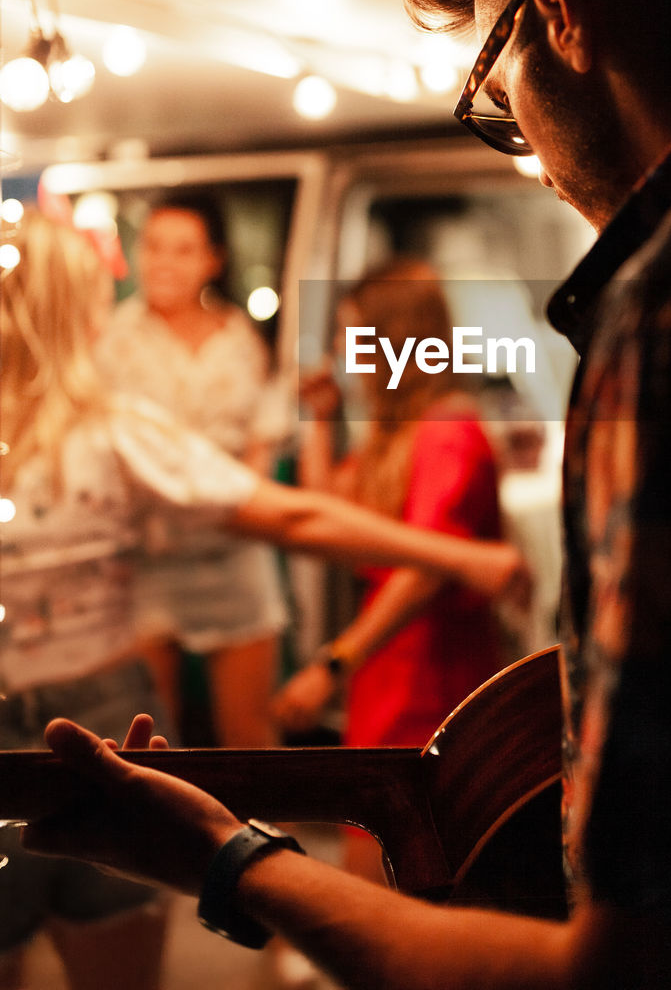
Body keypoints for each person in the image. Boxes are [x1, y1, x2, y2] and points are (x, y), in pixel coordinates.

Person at [20, 0, 671, 989]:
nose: (519, 143)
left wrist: (222, 853)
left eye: (492, 91)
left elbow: (652, 966)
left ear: (557, 6)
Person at [0, 210, 526, 990]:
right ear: (68, 311)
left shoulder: (142, 408)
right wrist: (463, 557)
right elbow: (297, 512)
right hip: (99, 711)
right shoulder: (110, 430)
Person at [272, 259, 505, 883]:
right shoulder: (397, 434)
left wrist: (334, 662)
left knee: (387, 862)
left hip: (428, 675)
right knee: (383, 853)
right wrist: (320, 420)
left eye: (356, 336)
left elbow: (427, 569)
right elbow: (328, 520)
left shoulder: (448, 431)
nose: (347, 354)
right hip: (392, 666)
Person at [96, 192, 286, 747]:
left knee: (249, 732)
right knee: (149, 733)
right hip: (147, 555)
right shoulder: (111, 339)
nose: (163, 263)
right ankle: (164, 832)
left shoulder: (243, 338)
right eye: (152, 246)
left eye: (182, 250)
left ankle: (261, 833)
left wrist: (246, 503)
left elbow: (262, 438)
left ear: (213, 260)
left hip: (235, 546)